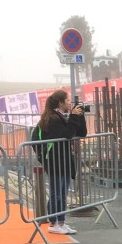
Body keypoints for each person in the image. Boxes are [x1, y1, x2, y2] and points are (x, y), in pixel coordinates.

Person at [33, 89, 87, 235]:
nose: (70, 103)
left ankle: (61, 222)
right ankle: (53, 223)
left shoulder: (62, 117)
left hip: (64, 160)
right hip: (55, 161)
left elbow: (81, 133)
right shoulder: (52, 119)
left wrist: (80, 116)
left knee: (63, 194)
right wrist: (73, 117)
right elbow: (67, 134)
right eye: (67, 100)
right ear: (60, 103)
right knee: (56, 193)